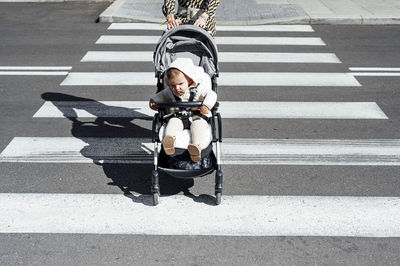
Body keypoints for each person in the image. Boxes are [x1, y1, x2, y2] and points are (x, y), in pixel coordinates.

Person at [149, 58, 217, 162]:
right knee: (173, 123)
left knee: (199, 126)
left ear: (189, 80)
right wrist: (153, 100)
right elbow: (161, 95)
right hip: (178, 116)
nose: (176, 88)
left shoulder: (199, 89)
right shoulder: (170, 92)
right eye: (172, 86)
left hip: (197, 116)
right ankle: (169, 140)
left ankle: (196, 147)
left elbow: (212, 94)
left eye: (180, 84)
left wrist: (206, 105)